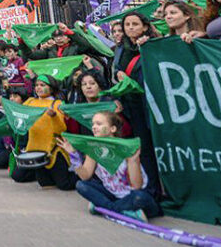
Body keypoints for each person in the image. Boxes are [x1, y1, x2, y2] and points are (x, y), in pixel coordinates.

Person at [58, 111, 161, 221]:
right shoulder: (94, 148)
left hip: (133, 195)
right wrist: (73, 156)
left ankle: (104, 207)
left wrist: (133, 161)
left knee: (140, 197)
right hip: (111, 194)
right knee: (81, 185)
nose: (94, 127)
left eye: (99, 124)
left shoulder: (125, 147)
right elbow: (85, 176)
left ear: (112, 129)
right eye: (93, 124)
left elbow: (136, 186)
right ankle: (122, 210)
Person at [112, 12, 160, 198]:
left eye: (135, 24)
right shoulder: (120, 49)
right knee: (142, 147)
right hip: (130, 104)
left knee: (154, 145)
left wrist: (145, 50)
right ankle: (148, 188)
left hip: (150, 103)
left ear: (145, 26)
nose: (130, 27)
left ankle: (157, 189)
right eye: (127, 25)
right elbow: (116, 70)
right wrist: (118, 78)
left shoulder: (153, 44)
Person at [10, 75, 75, 191]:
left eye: (42, 85)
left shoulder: (58, 104)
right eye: (36, 85)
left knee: (64, 185)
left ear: (51, 88)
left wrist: (54, 116)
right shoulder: (30, 102)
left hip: (53, 150)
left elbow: (62, 129)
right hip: (34, 150)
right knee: (42, 183)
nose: (38, 88)